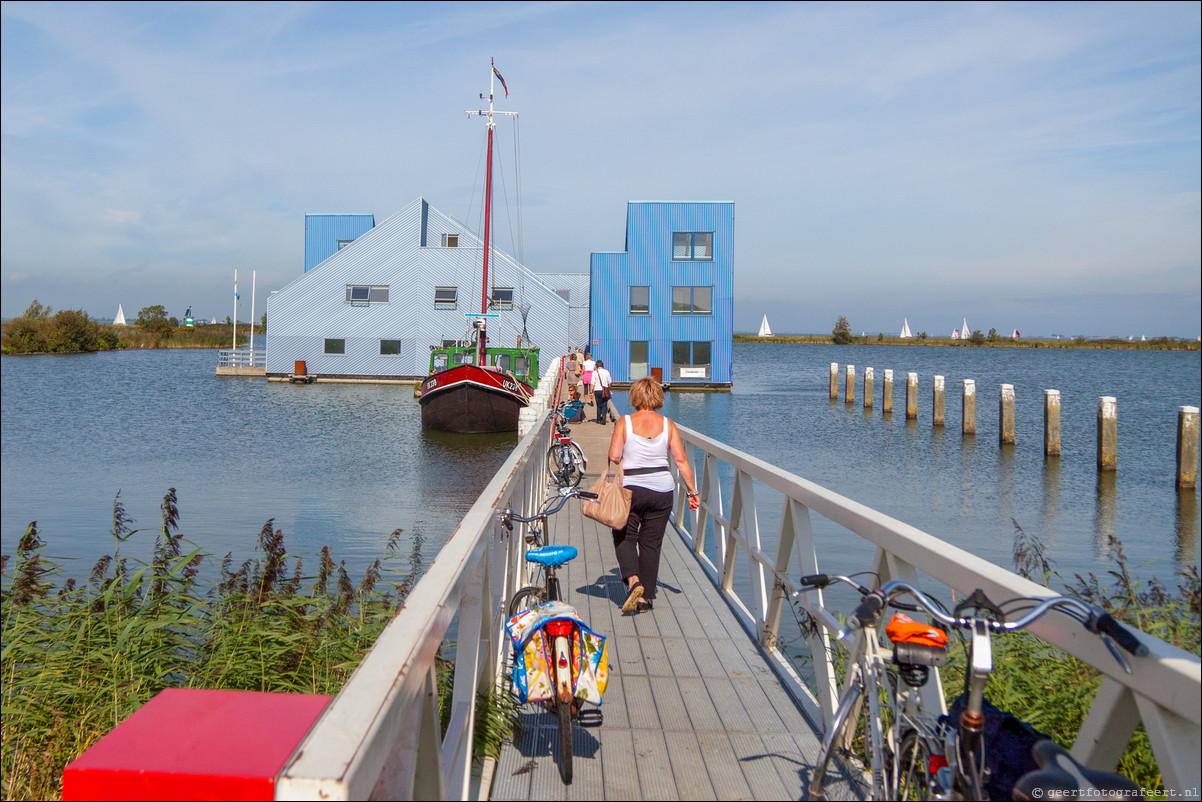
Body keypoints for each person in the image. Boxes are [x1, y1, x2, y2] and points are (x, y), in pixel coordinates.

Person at [607, 377, 700, 614]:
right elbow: (680, 460)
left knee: (623, 535)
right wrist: (692, 491)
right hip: (661, 490)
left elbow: (615, 456)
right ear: (658, 398)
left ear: (635, 397)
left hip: (632, 489)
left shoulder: (625, 423)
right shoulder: (668, 425)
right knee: (650, 544)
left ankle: (633, 581)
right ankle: (645, 598)